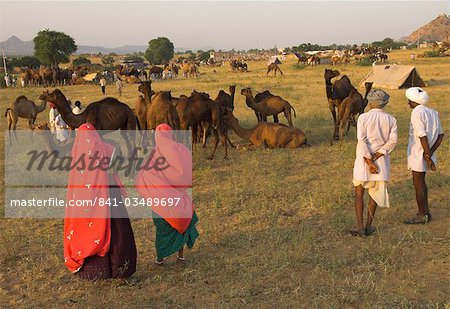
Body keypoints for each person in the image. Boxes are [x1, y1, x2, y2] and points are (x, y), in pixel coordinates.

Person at [64, 123, 137, 279]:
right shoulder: (106, 148)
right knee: (118, 231)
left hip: (85, 201)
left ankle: (95, 271)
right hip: (110, 196)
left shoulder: (76, 152)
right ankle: (119, 269)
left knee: (89, 230)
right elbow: (115, 168)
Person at [136, 124, 199, 265]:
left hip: (160, 201)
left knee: (162, 228)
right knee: (182, 224)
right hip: (179, 198)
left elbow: (144, 175)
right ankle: (180, 256)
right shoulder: (182, 150)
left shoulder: (153, 155)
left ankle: (160, 258)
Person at [351, 89, 398, 236]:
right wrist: (377, 155)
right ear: (384, 103)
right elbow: (393, 141)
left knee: (359, 192)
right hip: (381, 162)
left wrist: (369, 161)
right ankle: (368, 226)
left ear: (370, 103)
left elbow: (362, 140)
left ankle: (359, 226)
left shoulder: (363, 118)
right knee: (375, 194)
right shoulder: (391, 119)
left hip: (363, 161)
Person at [404, 87, 444, 224]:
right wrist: (430, 153)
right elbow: (440, 136)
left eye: (409, 101)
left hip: (418, 153)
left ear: (413, 102)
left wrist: (426, 156)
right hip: (427, 151)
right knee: (422, 182)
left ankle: (422, 215)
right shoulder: (433, 112)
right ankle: (425, 212)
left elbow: (422, 136)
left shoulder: (416, 113)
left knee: (418, 183)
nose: (408, 103)